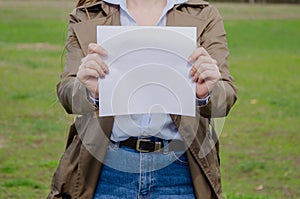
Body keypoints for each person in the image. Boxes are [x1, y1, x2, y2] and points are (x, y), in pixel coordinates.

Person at [48, 0, 237, 198]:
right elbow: (67, 93)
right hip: (107, 171)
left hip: (179, 173)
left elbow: (225, 98)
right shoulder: (88, 14)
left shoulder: (204, 14)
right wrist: (90, 92)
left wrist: (205, 93)